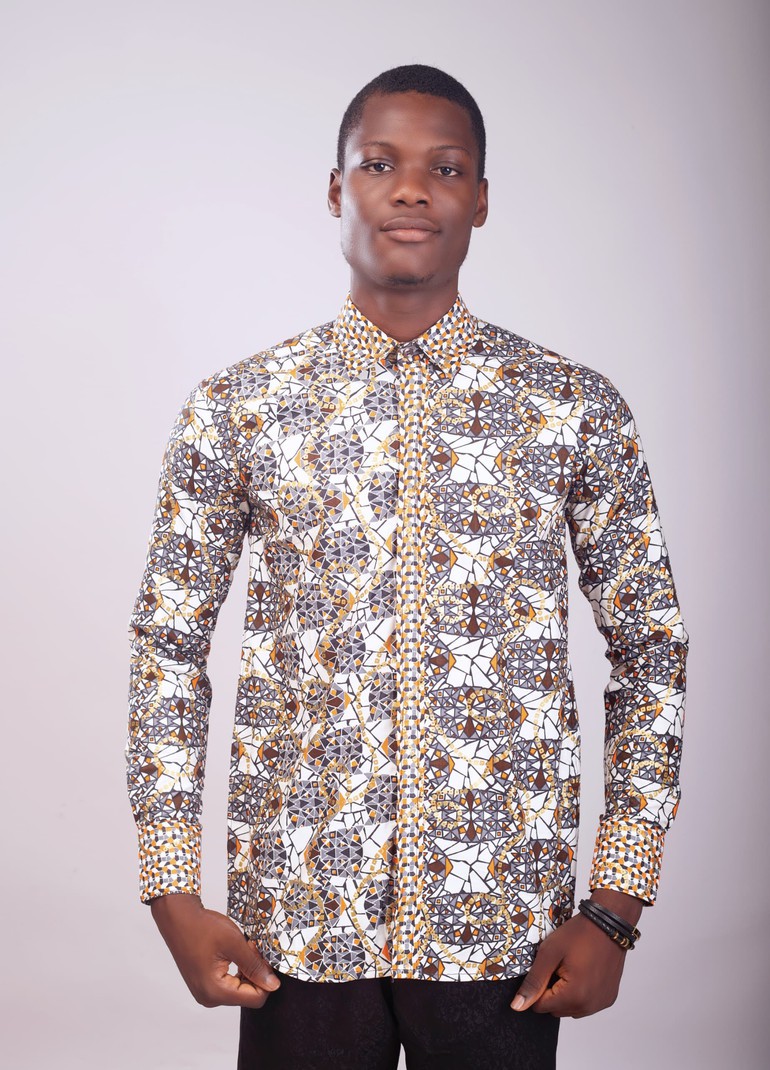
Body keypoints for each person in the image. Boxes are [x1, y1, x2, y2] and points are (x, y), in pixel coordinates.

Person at [126, 64, 689, 1070]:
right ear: (335, 189)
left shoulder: (571, 407)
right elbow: (167, 646)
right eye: (379, 164)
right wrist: (171, 891)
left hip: (501, 919)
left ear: (482, 198)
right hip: (298, 914)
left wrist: (614, 908)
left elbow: (652, 647)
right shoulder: (239, 406)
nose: (413, 190)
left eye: (447, 168)